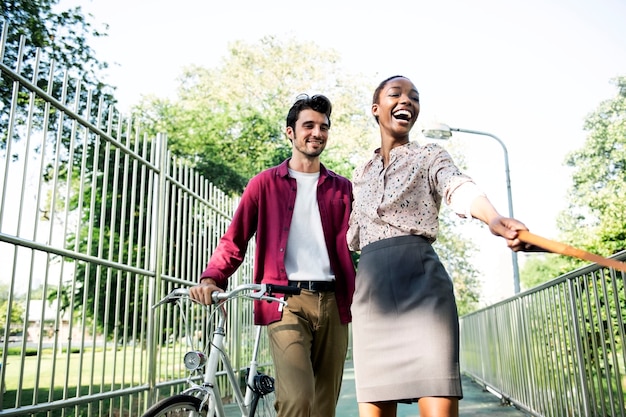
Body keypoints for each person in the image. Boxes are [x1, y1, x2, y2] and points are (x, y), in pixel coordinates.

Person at [347, 75, 533, 417]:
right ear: (376, 109)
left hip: (424, 294)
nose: (407, 101)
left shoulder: (429, 155)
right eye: (396, 94)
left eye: (414, 97)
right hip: (372, 300)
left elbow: (457, 185)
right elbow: (350, 237)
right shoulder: (361, 173)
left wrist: (492, 218)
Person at [189, 94, 355, 417]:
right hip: (284, 302)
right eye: (308, 125)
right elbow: (233, 240)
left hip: (334, 303)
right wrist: (211, 278)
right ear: (290, 132)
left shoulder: (342, 188)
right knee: (296, 398)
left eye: (323, 127)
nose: (317, 133)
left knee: (323, 408)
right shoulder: (264, 184)